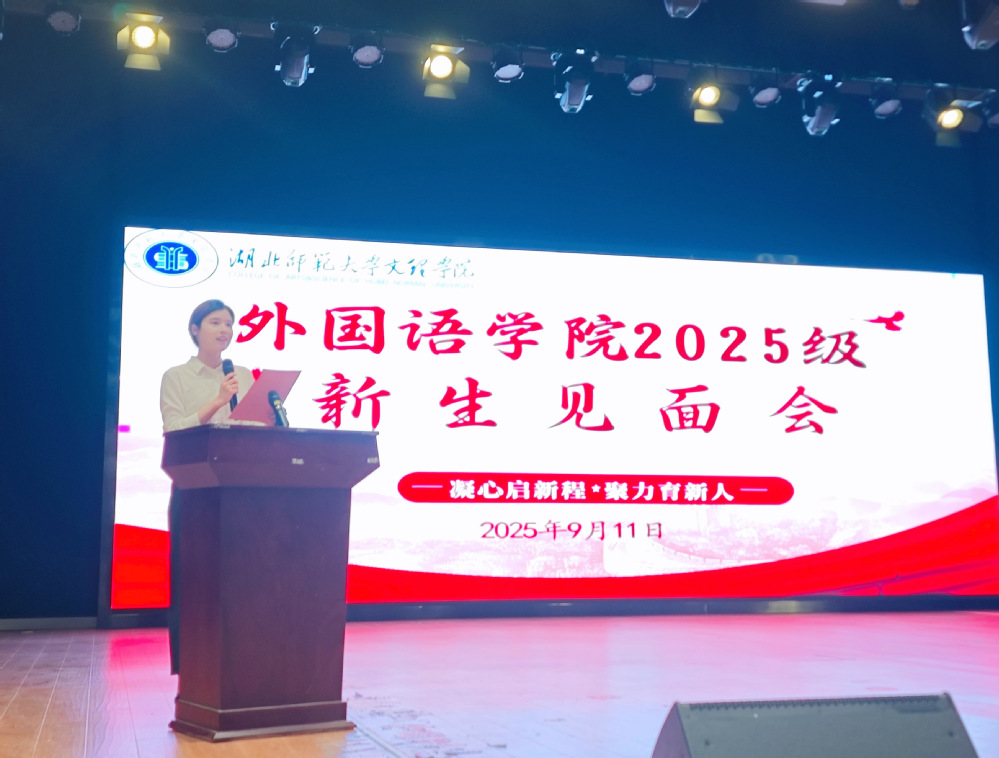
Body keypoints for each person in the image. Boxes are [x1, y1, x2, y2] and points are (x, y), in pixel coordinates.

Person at [160, 299, 254, 674]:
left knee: (241, 577)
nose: (225, 330)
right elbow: (173, 428)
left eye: (229, 324)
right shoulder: (177, 377)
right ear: (195, 329)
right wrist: (218, 401)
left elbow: (252, 425)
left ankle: (240, 656)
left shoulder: (242, 374)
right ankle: (192, 662)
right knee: (194, 577)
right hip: (195, 487)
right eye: (216, 322)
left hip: (240, 487)